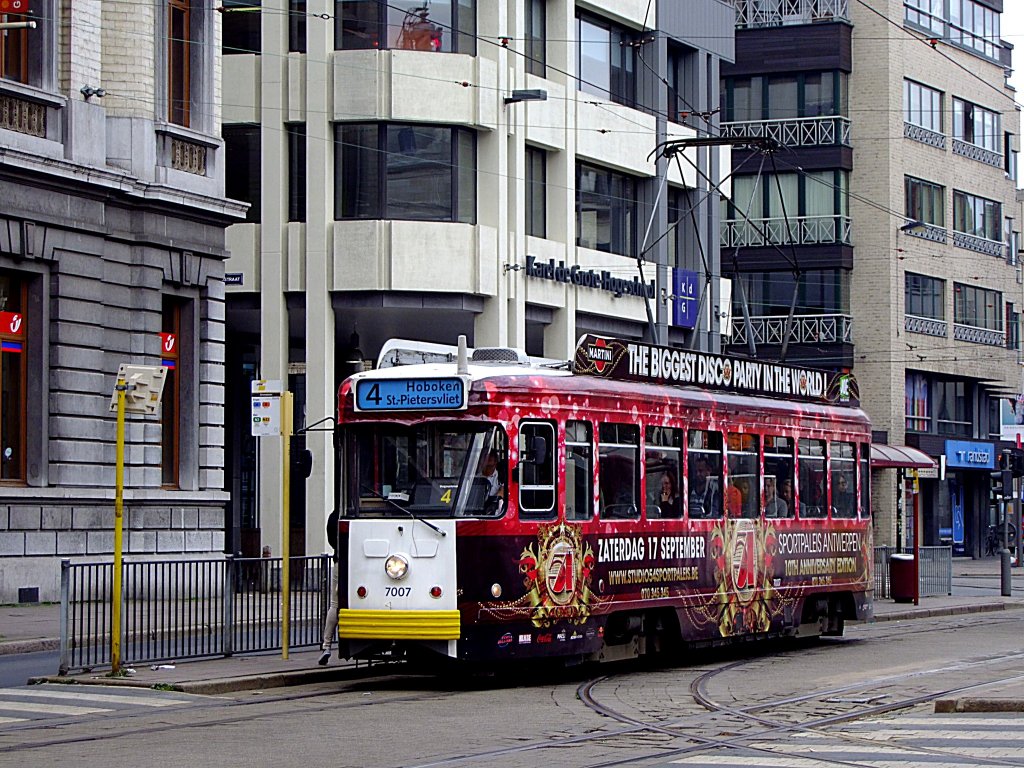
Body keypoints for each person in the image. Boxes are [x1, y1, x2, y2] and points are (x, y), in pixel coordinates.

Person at [318, 508, 340, 666]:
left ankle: (326, 646)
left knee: (335, 604)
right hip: (357, 563)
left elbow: (331, 541)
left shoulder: (334, 516)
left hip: (339, 560)